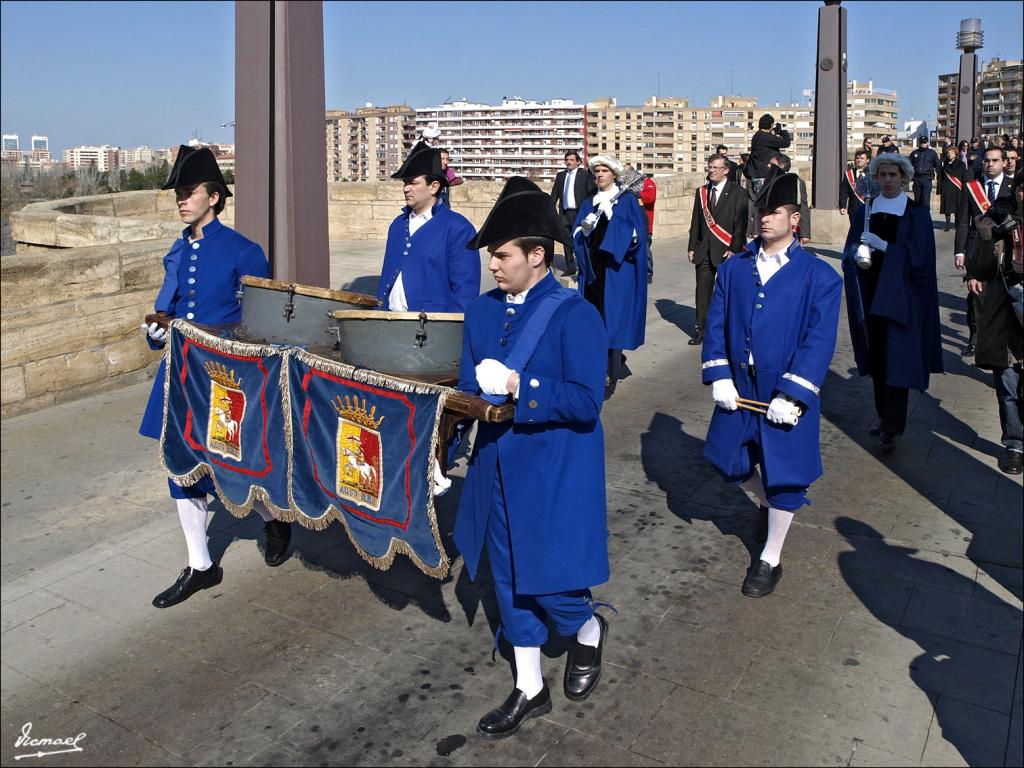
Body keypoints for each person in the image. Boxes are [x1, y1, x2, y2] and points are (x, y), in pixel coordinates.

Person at [455, 177, 611, 739]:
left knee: (552, 582)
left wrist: (523, 385)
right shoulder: (480, 312)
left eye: (502, 256)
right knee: (508, 578)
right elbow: (469, 389)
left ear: (537, 256)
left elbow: (587, 401)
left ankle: (588, 630)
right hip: (495, 466)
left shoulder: (575, 314)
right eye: (491, 256)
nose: (492, 265)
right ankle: (529, 685)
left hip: (554, 469)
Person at [138, 146, 288, 609]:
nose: (181, 200)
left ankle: (273, 518)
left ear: (215, 197)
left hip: (225, 378)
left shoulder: (244, 251)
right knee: (179, 464)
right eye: (178, 194)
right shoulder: (177, 250)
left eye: (189, 192)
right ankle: (201, 564)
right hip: (180, 376)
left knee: (230, 466)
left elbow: (262, 325)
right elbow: (166, 311)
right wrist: (156, 333)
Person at [701, 172, 842, 598]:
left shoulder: (821, 277)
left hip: (784, 390)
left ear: (794, 219)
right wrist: (719, 374)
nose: (764, 218)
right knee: (726, 458)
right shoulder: (734, 268)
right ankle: (766, 502)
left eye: (774, 212)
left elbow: (819, 341)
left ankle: (770, 557)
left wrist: (794, 394)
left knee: (786, 476)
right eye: (761, 211)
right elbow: (715, 323)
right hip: (740, 386)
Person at [842, 152, 943, 452]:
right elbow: (850, 246)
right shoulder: (866, 210)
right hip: (870, 292)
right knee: (877, 358)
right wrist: (855, 254)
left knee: (897, 358)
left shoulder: (916, 214)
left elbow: (920, 259)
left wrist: (885, 246)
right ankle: (882, 414)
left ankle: (892, 426)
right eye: (882, 175)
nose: (887, 180)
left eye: (892, 175)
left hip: (901, 296)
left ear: (904, 178)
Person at [957, 146, 1022, 473]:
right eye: (1021, 190)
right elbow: (981, 258)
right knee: (1007, 383)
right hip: (1003, 312)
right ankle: (1014, 444)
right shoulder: (1000, 216)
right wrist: (984, 248)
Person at [572, 154, 648, 395]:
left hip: (615, 270)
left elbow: (638, 236)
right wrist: (583, 230)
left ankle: (609, 374)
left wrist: (613, 219)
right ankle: (593, 368)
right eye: (597, 171)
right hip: (593, 270)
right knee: (593, 320)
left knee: (612, 322)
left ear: (613, 174)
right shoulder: (589, 201)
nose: (600, 175)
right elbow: (576, 234)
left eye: (604, 171)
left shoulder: (626, 200)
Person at [376, 142, 480, 312]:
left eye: (413, 183)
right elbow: (386, 278)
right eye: (405, 183)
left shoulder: (458, 228)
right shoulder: (397, 225)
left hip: (430, 325)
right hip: (389, 321)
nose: (406, 188)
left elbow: (465, 293)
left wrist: (447, 327)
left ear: (434, 187)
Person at [689, 153, 750, 346]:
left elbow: (740, 225)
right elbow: (696, 222)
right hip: (703, 251)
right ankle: (702, 331)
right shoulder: (702, 192)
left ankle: (728, 330)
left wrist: (734, 249)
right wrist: (692, 247)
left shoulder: (738, 193)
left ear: (726, 170)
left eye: (715, 167)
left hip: (726, 251)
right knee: (702, 293)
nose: (711, 171)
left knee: (728, 294)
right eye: (710, 167)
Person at [550, 150, 596, 277]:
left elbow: (591, 194)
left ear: (578, 162)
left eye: (571, 160)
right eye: (567, 160)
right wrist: (550, 210)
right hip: (565, 213)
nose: (569, 162)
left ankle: (583, 266)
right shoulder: (561, 176)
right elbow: (554, 194)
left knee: (580, 240)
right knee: (566, 241)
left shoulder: (585, 175)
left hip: (579, 213)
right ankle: (570, 267)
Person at [767, 153, 810, 244]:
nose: (768, 166)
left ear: (781, 166)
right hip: (768, 227)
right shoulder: (767, 182)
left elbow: (803, 207)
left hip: (788, 229)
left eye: (771, 164)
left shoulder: (796, 182)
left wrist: (805, 233)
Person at [626, 162, 657, 284]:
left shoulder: (647, 182)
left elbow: (650, 198)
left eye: (627, 173)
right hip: (630, 223)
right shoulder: (625, 185)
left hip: (645, 224)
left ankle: (648, 274)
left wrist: (633, 193)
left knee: (645, 250)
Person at [747, 114, 791, 191]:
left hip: (758, 175)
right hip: (764, 177)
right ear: (771, 125)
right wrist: (784, 131)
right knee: (766, 198)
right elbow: (786, 143)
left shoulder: (758, 135)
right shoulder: (765, 137)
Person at [840, 148, 871, 221]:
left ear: (867, 160)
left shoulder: (873, 174)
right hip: (853, 210)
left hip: (868, 209)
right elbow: (844, 191)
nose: (859, 160)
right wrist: (842, 206)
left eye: (862, 158)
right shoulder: (848, 174)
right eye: (857, 158)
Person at [939, 143, 965, 232]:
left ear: (956, 154)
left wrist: (964, 189)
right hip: (946, 188)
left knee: (957, 207)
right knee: (947, 207)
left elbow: (964, 177)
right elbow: (940, 177)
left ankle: (957, 224)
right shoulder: (943, 164)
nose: (950, 155)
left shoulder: (961, 164)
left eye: (952, 153)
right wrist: (939, 189)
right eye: (948, 153)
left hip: (957, 188)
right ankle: (948, 225)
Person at [908, 136, 941, 205]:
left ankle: (925, 212)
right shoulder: (914, 153)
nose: (923, 143)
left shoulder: (932, 153)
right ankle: (917, 212)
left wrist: (940, 176)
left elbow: (938, 165)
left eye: (924, 142)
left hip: (927, 179)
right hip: (917, 178)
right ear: (919, 143)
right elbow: (907, 163)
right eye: (921, 142)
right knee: (917, 199)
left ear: (927, 143)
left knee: (925, 199)